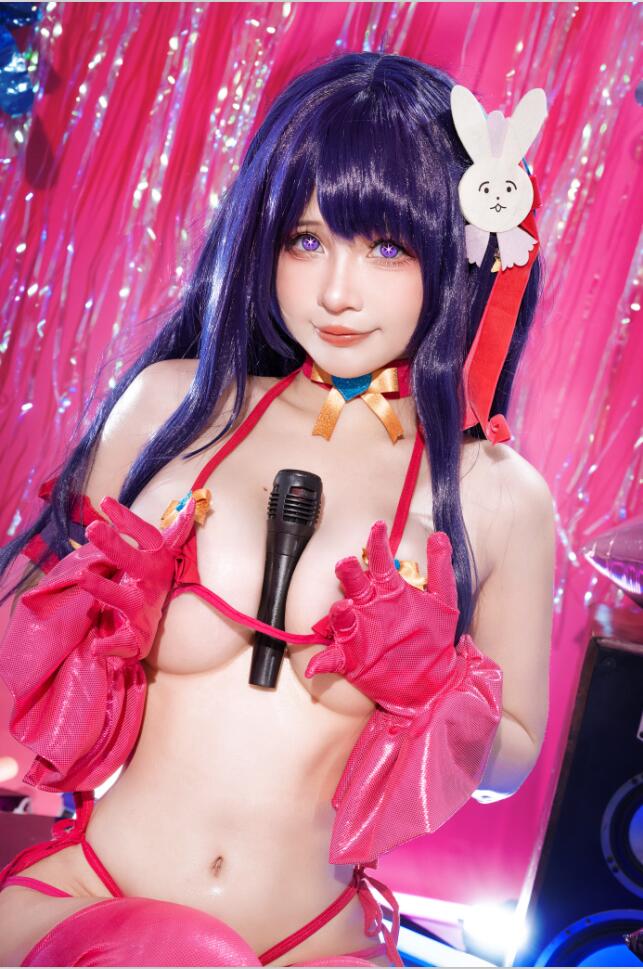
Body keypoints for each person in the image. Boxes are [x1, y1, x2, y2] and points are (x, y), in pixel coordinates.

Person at [0, 51, 555, 967]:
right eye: (306, 240)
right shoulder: (173, 405)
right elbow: (15, 666)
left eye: (386, 248)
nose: (337, 291)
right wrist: (87, 618)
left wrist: (433, 687)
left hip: (319, 940)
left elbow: (512, 761)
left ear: (459, 252)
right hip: (97, 893)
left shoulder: (498, 492)